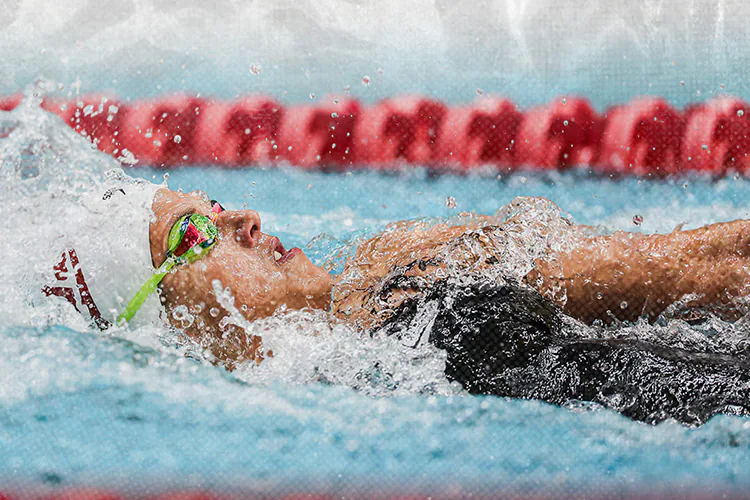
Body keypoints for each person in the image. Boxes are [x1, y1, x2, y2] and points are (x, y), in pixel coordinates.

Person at [43, 181, 750, 425]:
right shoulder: (320, 398)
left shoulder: (401, 266)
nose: (246, 220)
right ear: (169, 326)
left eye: (219, 202)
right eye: (195, 231)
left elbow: (711, 266)